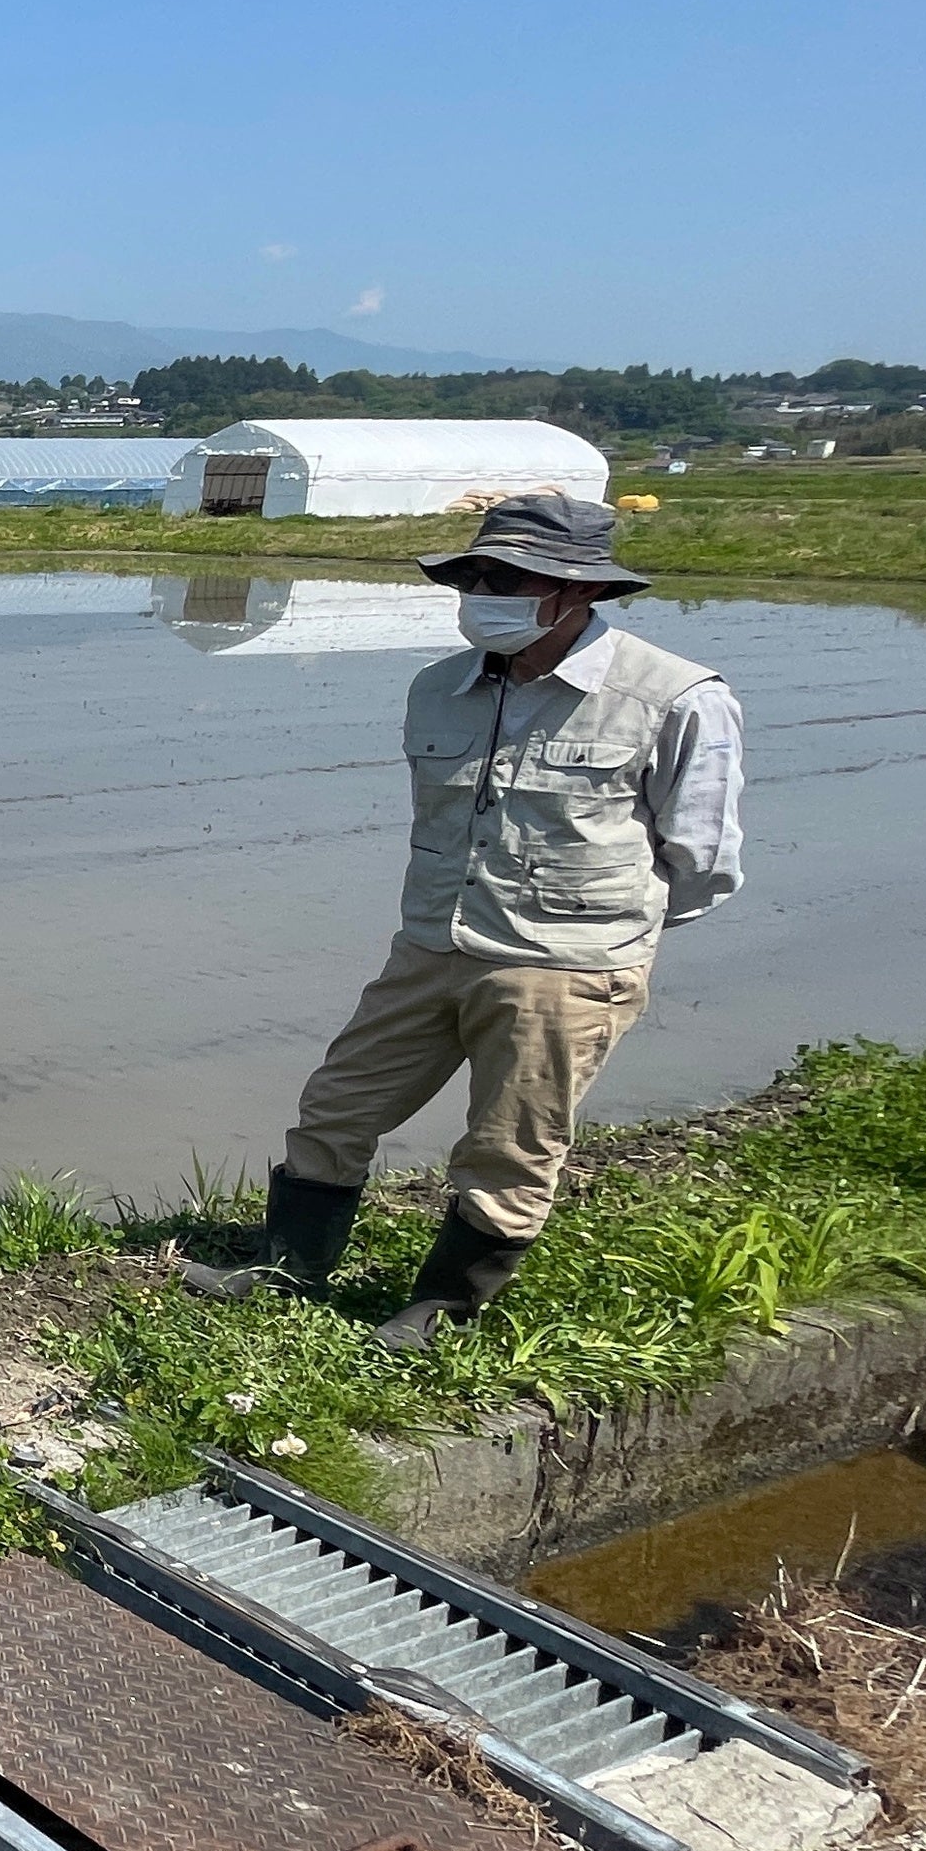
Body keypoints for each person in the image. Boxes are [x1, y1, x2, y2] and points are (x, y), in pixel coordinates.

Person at [183, 492, 744, 1346]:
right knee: (337, 1104)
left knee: (510, 1145)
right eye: (475, 572)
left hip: (563, 968)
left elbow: (700, 860)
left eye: (511, 576)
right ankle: (287, 1269)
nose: (485, 589)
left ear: (578, 591)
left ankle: (440, 1310)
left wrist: (597, 951)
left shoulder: (673, 698)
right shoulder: (438, 687)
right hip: (431, 945)